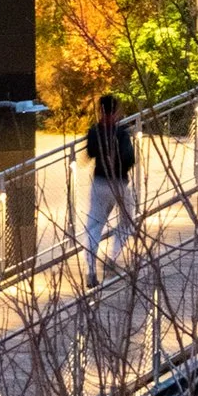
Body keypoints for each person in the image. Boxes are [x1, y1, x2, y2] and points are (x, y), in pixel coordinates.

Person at [83, 89, 138, 282]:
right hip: (120, 183)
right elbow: (130, 158)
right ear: (115, 112)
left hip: (99, 181)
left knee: (94, 226)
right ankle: (112, 257)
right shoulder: (121, 133)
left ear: (100, 111)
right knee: (127, 221)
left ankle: (90, 270)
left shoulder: (94, 131)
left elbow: (90, 152)